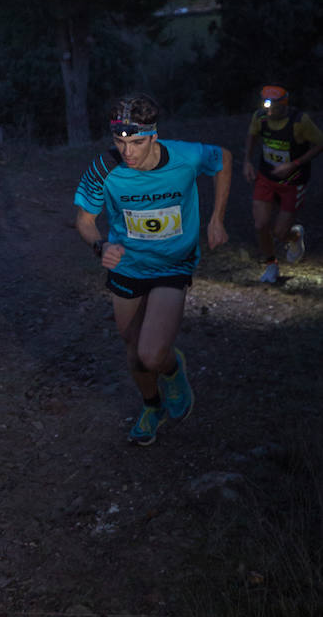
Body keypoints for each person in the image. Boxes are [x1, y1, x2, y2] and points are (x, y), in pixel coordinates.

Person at [74, 92, 232, 446]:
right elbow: (84, 220)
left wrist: (216, 218)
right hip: (128, 267)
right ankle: (151, 406)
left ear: (154, 136)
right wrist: (100, 245)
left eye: (137, 142)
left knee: (151, 353)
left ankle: (173, 370)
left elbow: (223, 159)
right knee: (133, 349)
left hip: (172, 263)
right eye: (120, 141)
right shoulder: (104, 168)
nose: (127, 151)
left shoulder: (185, 156)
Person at [242, 84, 323, 284]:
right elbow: (252, 136)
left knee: (280, 233)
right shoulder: (260, 117)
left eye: (273, 108)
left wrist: (294, 164)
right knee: (261, 224)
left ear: (284, 106)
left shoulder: (299, 122)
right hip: (266, 177)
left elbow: (320, 143)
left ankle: (295, 236)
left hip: (293, 182)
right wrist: (247, 161)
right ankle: (271, 265)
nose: (268, 112)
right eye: (266, 106)